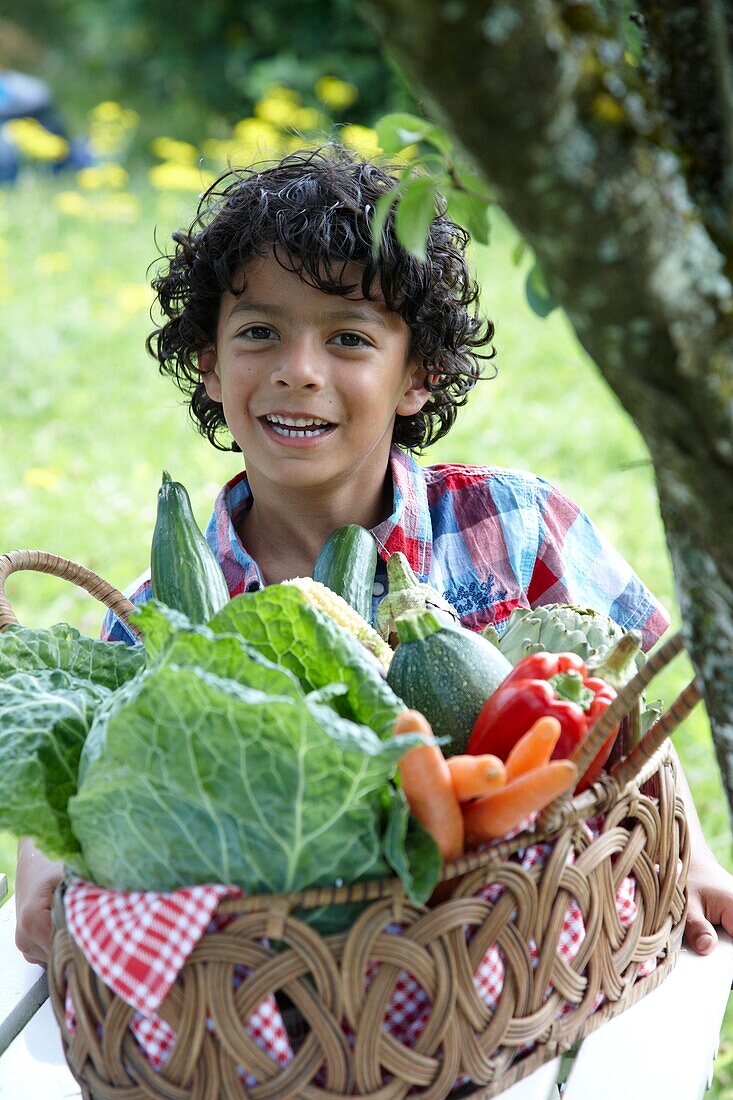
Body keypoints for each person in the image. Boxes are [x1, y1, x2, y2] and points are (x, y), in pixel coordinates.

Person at [14, 146, 733, 966]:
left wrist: (699, 857)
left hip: (524, 939)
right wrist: (40, 879)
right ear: (210, 365)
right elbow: (74, 777)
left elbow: (628, 717)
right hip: (297, 978)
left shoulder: (514, 523)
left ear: (417, 376)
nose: (298, 372)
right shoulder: (159, 616)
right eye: (258, 333)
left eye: (349, 339)